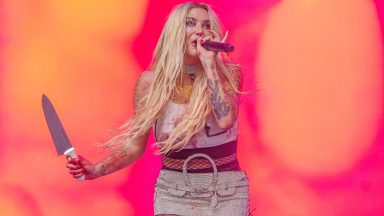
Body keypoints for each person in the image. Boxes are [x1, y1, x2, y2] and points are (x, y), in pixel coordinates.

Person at [66, 2, 249, 215]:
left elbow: (225, 119)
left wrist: (209, 65)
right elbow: (135, 146)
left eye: (206, 25)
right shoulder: (150, 83)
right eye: (190, 24)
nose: (200, 31)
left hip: (225, 192)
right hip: (174, 191)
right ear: (175, 32)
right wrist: (97, 170)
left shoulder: (228, 74)